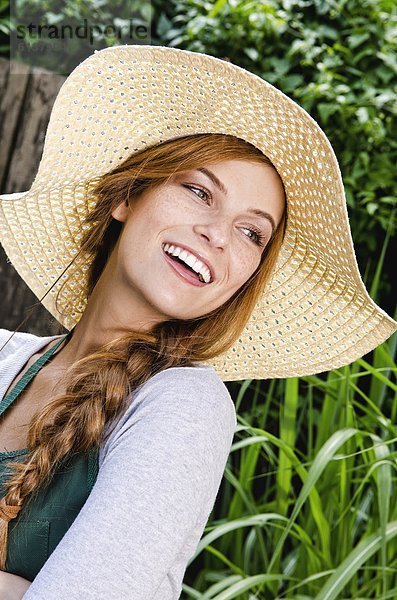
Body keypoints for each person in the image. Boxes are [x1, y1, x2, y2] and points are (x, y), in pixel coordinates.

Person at [0, 44, 395, 599]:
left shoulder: (181, 405)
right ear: (128, 194)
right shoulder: (5, 357)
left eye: (252, 232)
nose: (217, 233)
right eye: (198, 191)